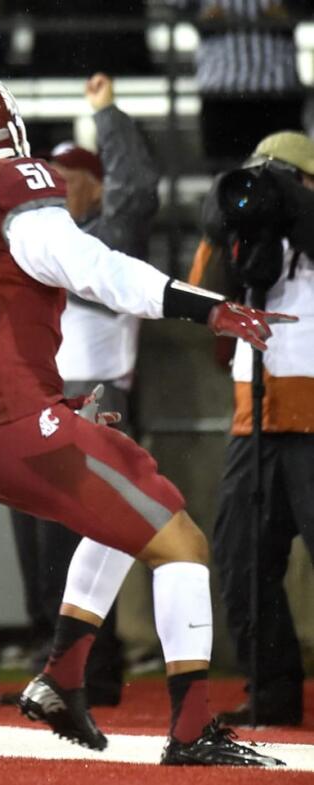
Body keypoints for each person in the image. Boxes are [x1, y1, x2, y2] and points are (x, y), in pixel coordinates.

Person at [0, 70, 295, 766]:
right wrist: (206, 306)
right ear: (3, 128)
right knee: (181, 540)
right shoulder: (7, 192)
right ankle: (190, 729)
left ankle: (64, 675)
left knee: (120, 510)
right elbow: (95, 267)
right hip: (11, 423)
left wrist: (44, 402)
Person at [5, 72, 161, 707]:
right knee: (36, 537)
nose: (57, 193)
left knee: (82, 536)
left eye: (70, 180)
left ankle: (92, 672)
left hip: (100, 396)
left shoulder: (111, 239)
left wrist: (107, 114)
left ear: (96, 184)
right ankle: (54, 663)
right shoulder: (46, 244)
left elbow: (139, 190)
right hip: (38, 396)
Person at [189, 130, 314, 727]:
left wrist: (294, 202)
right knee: (241, 559)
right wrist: (239, 213)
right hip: (255, 418)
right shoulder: (247, 234)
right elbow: (210, 280)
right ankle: (273, 692)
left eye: (280, 176)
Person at [166, 0, 308, 167]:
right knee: (228, 177)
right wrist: (201, 18)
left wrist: (292, 10)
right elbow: (175, 5)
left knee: (283, 176)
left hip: (277, 85)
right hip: (223, 86)